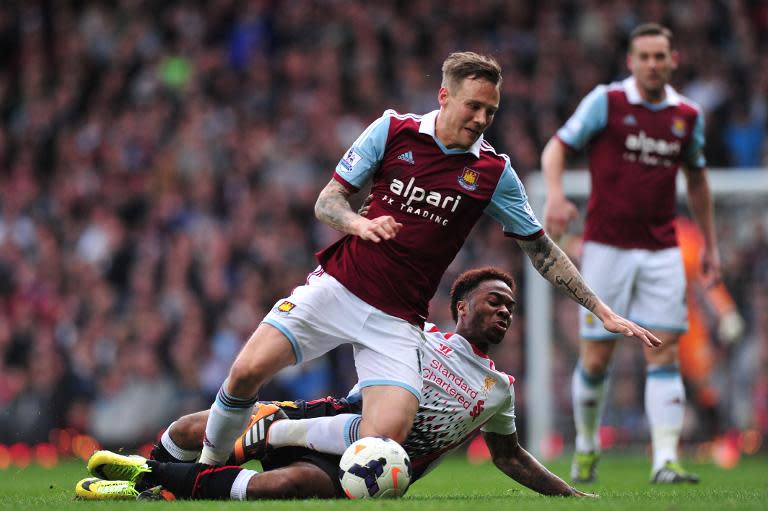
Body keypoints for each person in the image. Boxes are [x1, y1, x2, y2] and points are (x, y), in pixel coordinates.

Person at [197, 51, 660, 469]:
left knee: (386, 438)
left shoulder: (493, 173)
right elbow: (328, 201)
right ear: (444, 96)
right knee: (244, 372)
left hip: (398, 320)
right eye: (473, 106)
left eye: (491, 111)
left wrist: (601, 310)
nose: (481, 119)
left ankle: (275, 430)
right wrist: (359, 225)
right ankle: (206, 466)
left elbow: (541, 249)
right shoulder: (392, 130)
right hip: (339, 286)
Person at [76, 268, 595, 500]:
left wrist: (568, 494)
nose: (505, 310)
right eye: (494, 301)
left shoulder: (499, 389)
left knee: (284, 486)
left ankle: (149, 481)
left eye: (510, 305)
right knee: (198, 427)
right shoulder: (414, 334)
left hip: (374, 471)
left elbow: (509, 456)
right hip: (333, 418)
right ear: (462, 307)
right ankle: (149, 472)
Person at [540, 23, 719, 484]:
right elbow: (556, 148)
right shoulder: (607, 102)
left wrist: (710, 244)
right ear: (631, 61)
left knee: (664, 354)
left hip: (662, 250)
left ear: (673, 60)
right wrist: (556, 195)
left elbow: (698, 181)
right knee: (596, 358)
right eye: (645, 56)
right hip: (605, 249)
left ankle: (665, 461)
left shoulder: (687, 116)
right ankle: (585, 446)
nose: (653, 64)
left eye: (661, 56)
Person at [676, 216, 743, 440]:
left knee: (703, 382)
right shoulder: (631, 228)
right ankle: (665, 444)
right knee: (659, 375)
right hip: (644, 321)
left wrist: (726, 311)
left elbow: (706, 277)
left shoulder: (685, 235)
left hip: (684, 319)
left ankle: (714, 439)